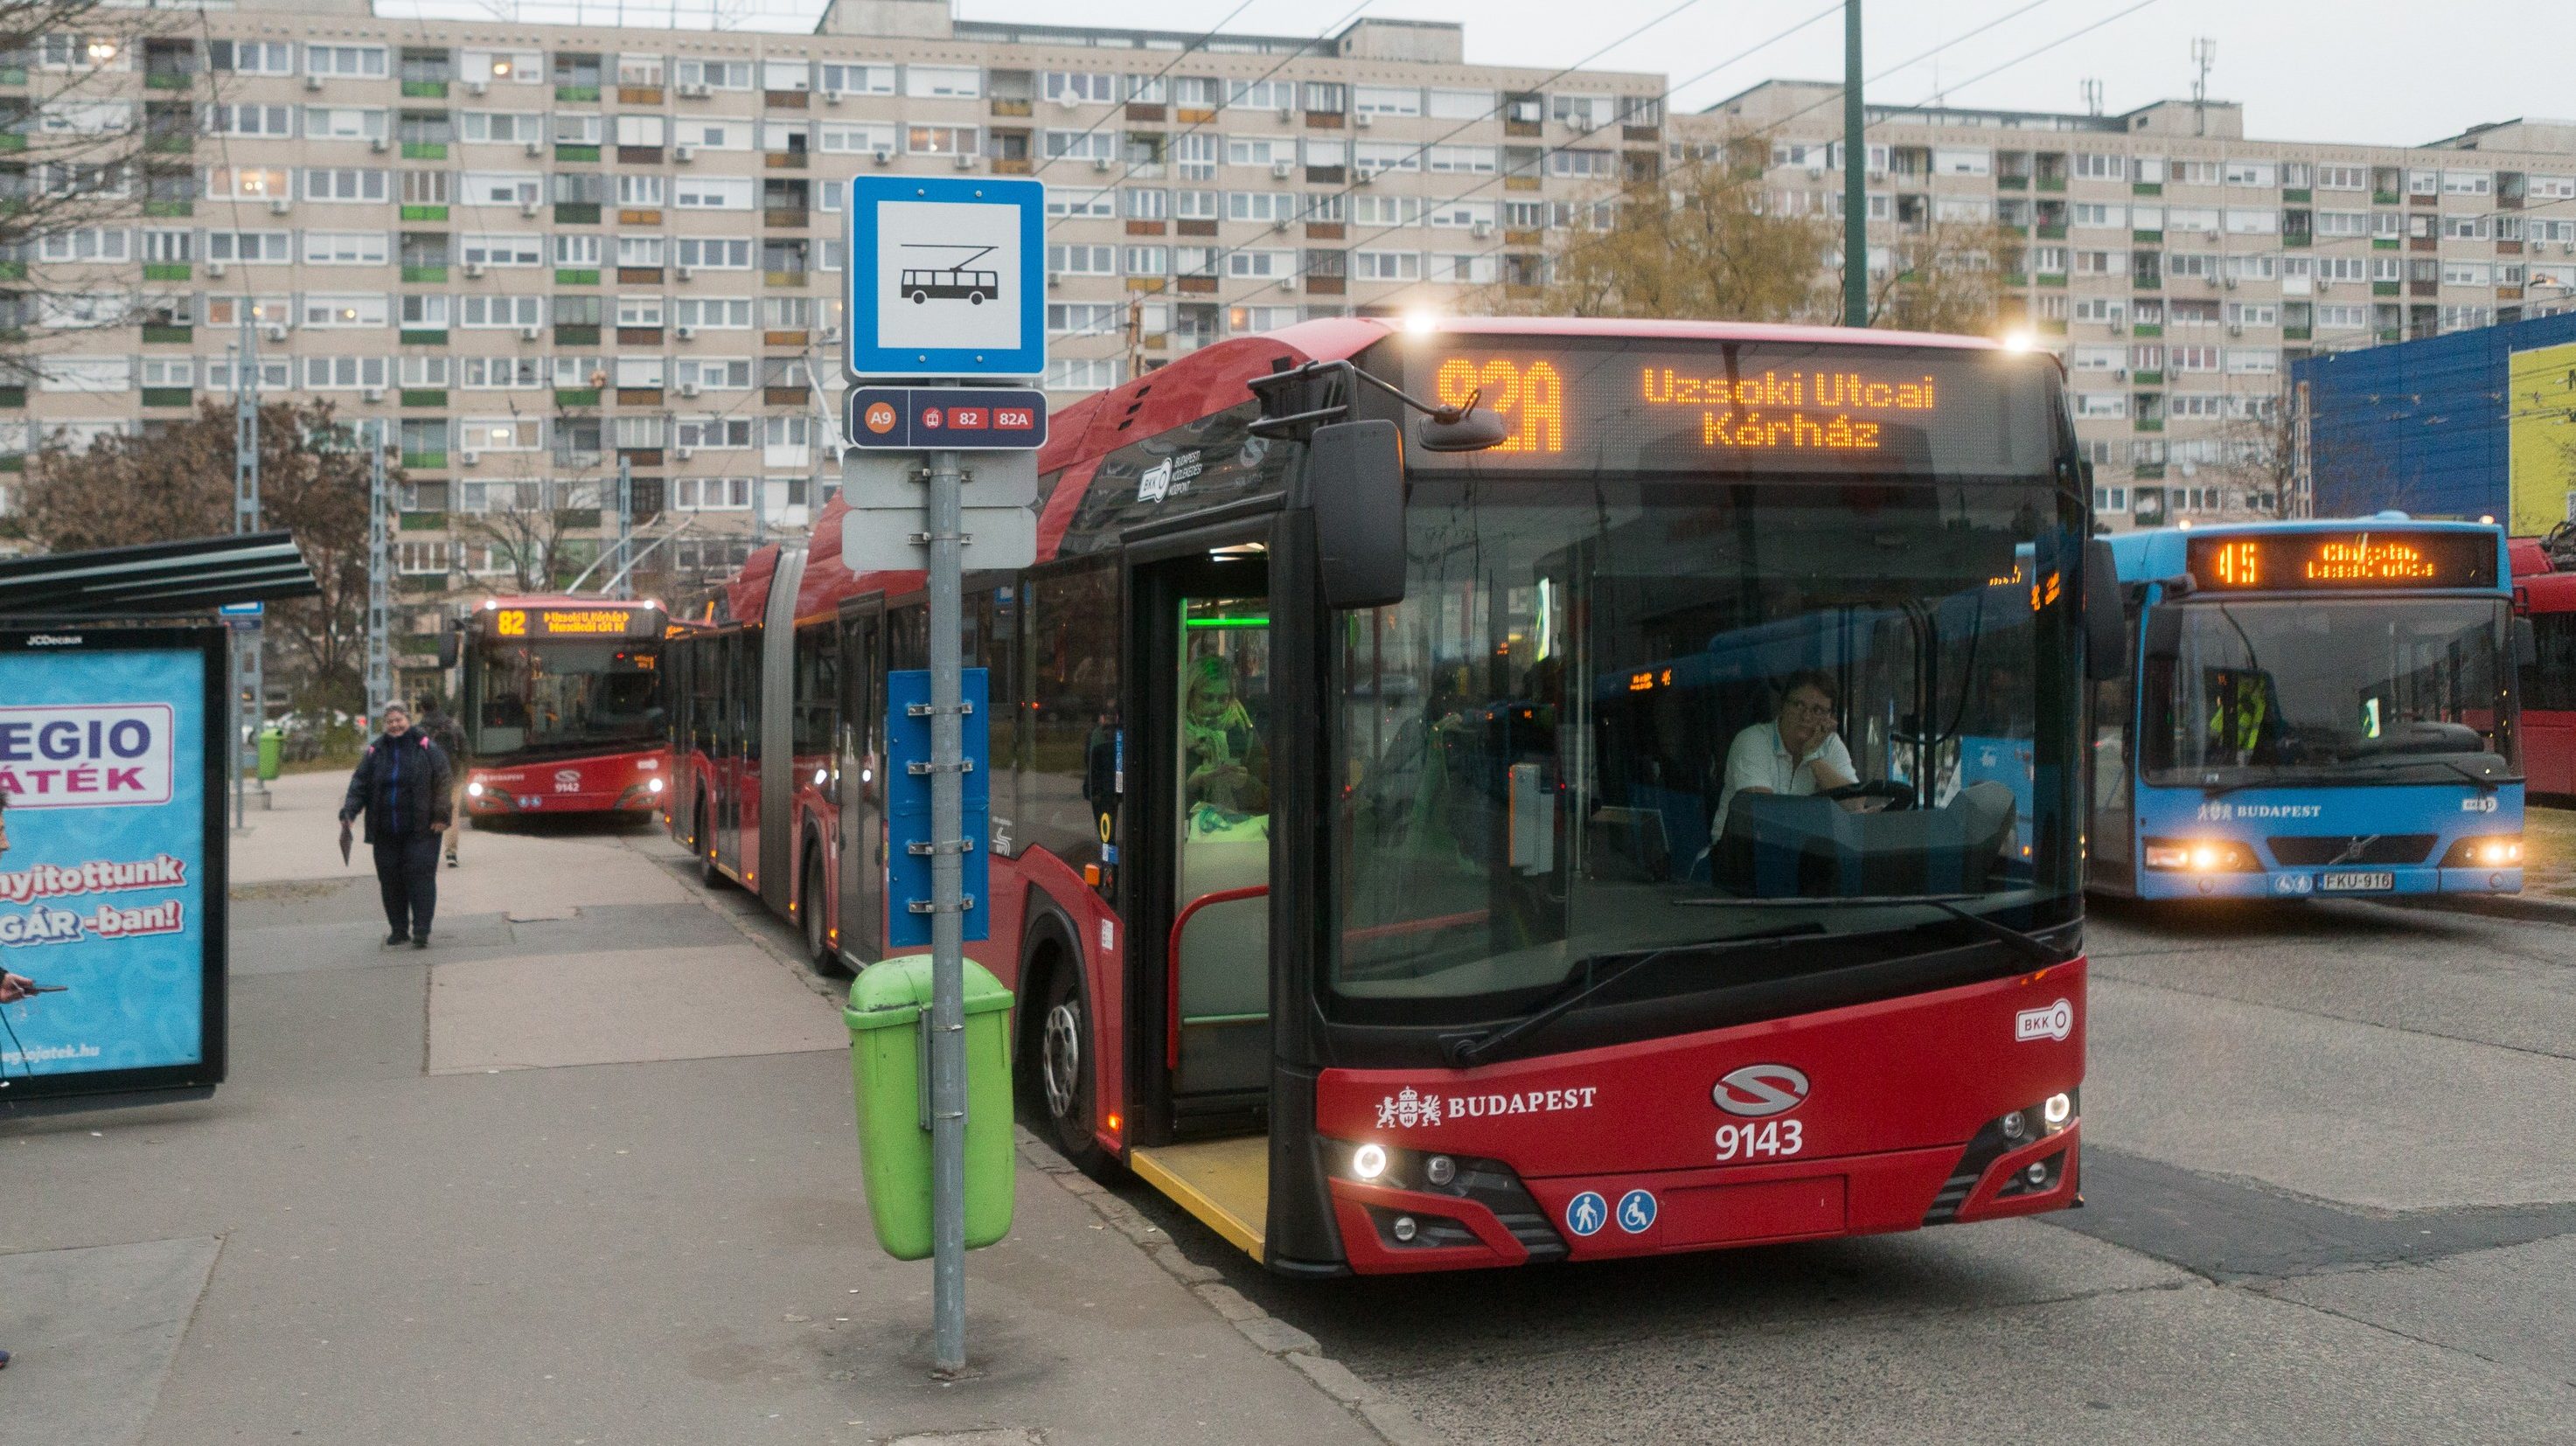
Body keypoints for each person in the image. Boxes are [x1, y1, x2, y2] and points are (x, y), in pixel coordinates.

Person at [339, 702, 453, 949]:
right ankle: (398, 929)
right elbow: (359, 783)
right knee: (390, 881)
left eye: (399, 720)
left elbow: (444, 779)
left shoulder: (426, 747)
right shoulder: (375, 751)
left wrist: (441, 815)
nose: (395, 725)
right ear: (384, 725)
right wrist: (349, 812)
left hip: (422, 829)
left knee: (420, 878)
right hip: (385, 831)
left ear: (408, 720)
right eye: (390, 722)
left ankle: (421, 930)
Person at [1712, 670, 1862, 840]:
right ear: (1782, 706)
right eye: (1799, 705)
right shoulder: (1753, 739)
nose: (1806, 716)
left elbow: (1855, 804)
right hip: (1735, 858)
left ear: (1830, 718)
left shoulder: (1831, 744)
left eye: (1818, 710)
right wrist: (1823, 819)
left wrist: (1813, 757)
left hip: (1799, 856)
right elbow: (1763, 819)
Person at [1181, 653, 1268, 817]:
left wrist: (1246, 784)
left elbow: (1270, 798)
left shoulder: (1243, 730)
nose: (1216, 707)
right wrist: (1190, 786)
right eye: (1207, 697)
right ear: (1190, 695)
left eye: (1223, 698)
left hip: (1233, 835)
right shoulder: (1175, 733)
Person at [414, 693, 469, 868]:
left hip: (429, 779)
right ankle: (451, 853)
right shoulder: (454, 725)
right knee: (452, 813)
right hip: (453, 776)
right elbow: (466, 752)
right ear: (437, 704)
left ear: (422, 708)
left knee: (428, 813)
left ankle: (428, 852)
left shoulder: (419, 730)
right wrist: (463, 774)